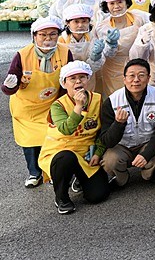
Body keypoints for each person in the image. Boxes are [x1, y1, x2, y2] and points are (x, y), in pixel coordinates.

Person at [3, 17, 74, 188]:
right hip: (26, 106)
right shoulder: (22, 55)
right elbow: (8, 87)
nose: (48, 38)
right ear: (34, 36)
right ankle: (34, 173)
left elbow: (69, 80)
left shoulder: (65, 52)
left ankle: (50, 172)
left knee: (52, 139)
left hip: (51, 104)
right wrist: (9, 86)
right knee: (29, 142)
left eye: (53, 34)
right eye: (43, 34)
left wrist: (66, 103)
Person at [38, 61, 110, 214]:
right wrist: (78, 106)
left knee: (98, 195)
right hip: (60, 151)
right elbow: (66, 129)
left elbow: (103, 130)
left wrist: (98, 152)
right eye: (73, 78)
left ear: (88, 79)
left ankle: (79, 178)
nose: (78, 81)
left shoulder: (97, 99)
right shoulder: (57, 105)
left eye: (82, 77)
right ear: (64, 83)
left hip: (85, 154)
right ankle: (61, 197)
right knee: (66, 158)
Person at [99, 58, 155, 187]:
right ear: (124, 79)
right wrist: (118, 124)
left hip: (147, 143)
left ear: (148, 78)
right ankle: (121, 179)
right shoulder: (112, 101)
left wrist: (146, 154)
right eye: (131, 76)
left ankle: (150, 174)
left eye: (141, 75)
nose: (136, 80)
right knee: (110, 161)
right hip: (122, 146)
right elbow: (106, 140)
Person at [93, 0, 149, 96]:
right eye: (112, 4)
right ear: (106, 6)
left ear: (126, 2)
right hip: (113, 71)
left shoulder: (140, 16)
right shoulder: (102, 27)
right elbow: (106, 54)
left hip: (139, 64)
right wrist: (111, 45)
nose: (116, 6)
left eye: (120, 2)